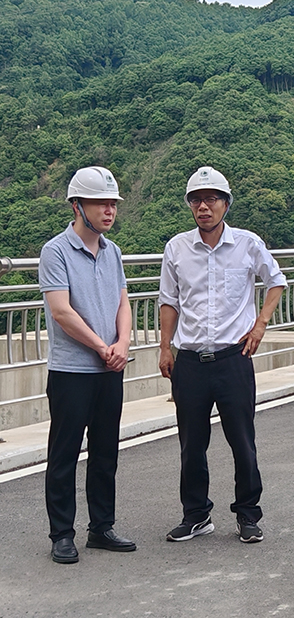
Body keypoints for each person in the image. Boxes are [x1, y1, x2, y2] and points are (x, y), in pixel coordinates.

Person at [158, 167, 287, 544]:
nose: (203, 207)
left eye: (211, 199)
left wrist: (261, 324)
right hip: (190, 361)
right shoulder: (176, 248)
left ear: (226, 204)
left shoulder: (248, 244)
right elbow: (169, 301)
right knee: (191, 445)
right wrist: (164, 347)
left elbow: (276, 281)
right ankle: (196, 515)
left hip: (234, 359)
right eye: (196, 200)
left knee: (242, 442)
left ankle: (248, 514)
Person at [39, 166, 135, 564]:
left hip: (109, 368)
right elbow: (61, 311)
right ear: (77, 206)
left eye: (112, 203)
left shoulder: (112, 252)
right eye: (100, 203)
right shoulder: (55, 251)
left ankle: (101, 527)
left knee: (105, 452)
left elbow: (123, 302)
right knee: (64, 454)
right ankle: (62, 534)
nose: (109, 210)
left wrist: (123, 343)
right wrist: (101, 346)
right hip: (72, 370)